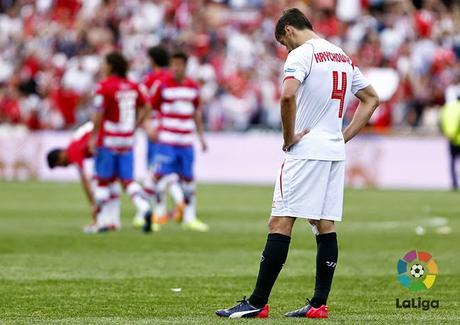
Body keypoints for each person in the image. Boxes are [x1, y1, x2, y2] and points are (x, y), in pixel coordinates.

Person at [216, 8, 379, 319]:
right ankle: (318, 304)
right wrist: (342, 137)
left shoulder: (302, 53)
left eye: (283, 43)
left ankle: (256, 303)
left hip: (306, 151)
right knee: (323, 225)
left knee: (280, 222)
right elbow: (372, 99)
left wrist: (288, 136)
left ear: (288, 30)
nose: (285, 50)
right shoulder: (341, 55)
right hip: (332, 152)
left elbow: (288, 96)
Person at [145, 51, 209, 232]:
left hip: (186, 141)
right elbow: (149, 107)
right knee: (159, 176)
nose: (175, 68)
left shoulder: (192, 86)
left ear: (185, 65)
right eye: (173, 64)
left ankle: (190, 217)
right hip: (167, 141)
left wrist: (201, 137)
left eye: (178, 64)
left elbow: (196, 113)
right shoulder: (163, 85)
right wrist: (149, 126)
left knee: (188, 179)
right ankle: (157, 214)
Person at [89, 52, 152, 230]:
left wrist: (94, 136)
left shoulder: (103, 86)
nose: (102, 66)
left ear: (110, 66)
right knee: (127, 180)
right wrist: (135, 126)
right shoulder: (133, 86)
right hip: (127, 138)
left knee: (103, 180)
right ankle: (144, 207)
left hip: (109, 138)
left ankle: (100, 222)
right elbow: (147, 106)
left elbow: (99, 112)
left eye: (104, 63)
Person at [46, 122, 121, 232]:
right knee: (110, 182)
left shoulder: (73, 150)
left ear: (60, 156)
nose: (63, 166)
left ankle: (101, 221)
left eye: (60, 164)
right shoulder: (75, 144)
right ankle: (113, 222)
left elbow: (84, 180)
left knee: (99, 184)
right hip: (110, 136)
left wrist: (92, 204)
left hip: (105, 137)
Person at [141, 46, 185, 228]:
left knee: (155, 170)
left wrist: (146, 125)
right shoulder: (172, 78)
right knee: (168, 170)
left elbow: (144, 105)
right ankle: (178, 201)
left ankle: (157, 210)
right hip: (171, 129)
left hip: (155, 129)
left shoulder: (151, 79)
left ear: (152, 60)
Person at [440, 96, 460, 190]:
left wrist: (448, 132)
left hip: (451, 138)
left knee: (452, 162)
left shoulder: (448, 107)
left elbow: (442, 120)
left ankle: (454, 182)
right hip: (457, 137)